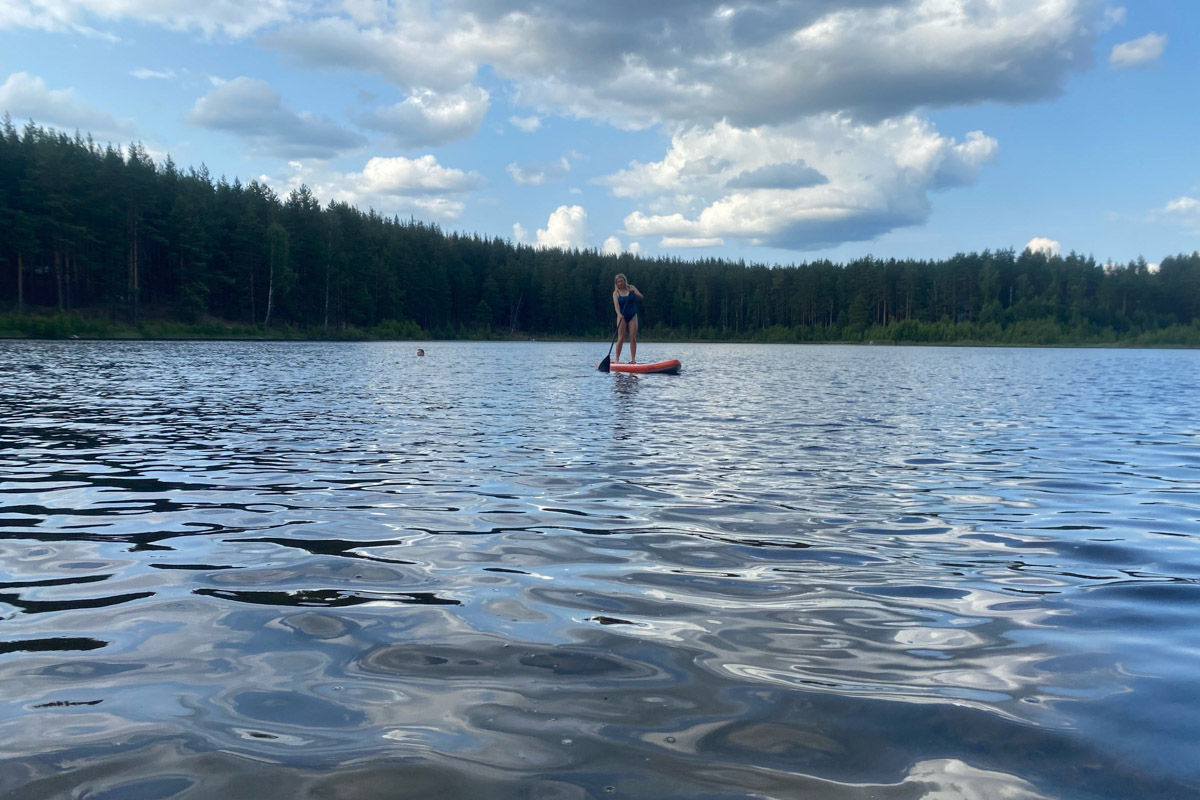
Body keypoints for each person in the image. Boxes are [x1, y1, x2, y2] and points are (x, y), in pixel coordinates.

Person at [612, 273, 643, 364]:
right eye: (618, 282)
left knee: (633, 338)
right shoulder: (616, 293)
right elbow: (616, 306)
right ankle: (617, 359)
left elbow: (641, 297)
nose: (620, 283)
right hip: (622, 316)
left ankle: (633, 359)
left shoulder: (631, 288)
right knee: (621, 338)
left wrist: (635, 292)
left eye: (621, 281)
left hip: (633, 315)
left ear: (625, 281)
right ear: (616, 283)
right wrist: (619, 314)